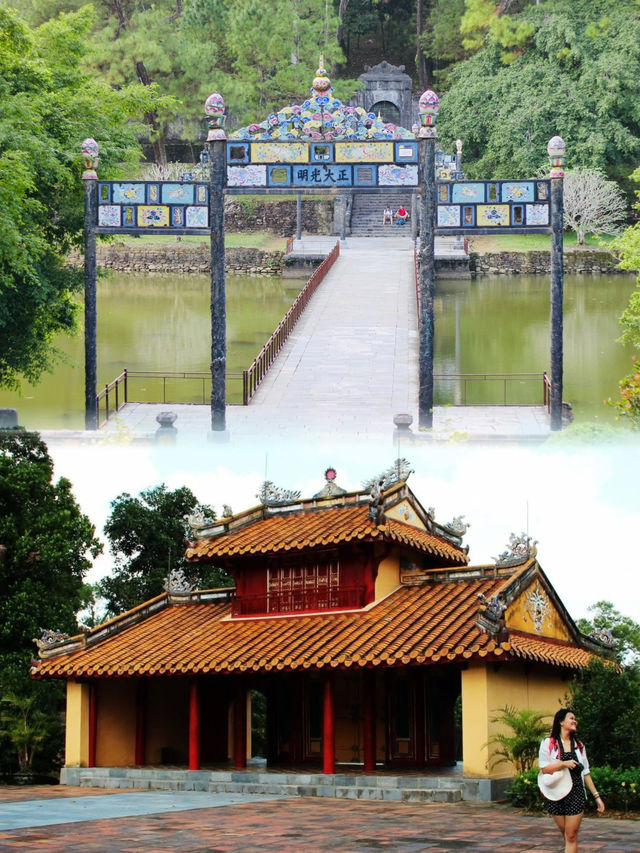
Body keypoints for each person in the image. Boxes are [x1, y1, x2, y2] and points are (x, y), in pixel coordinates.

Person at [538, 709, 605, 853]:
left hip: (576, 793)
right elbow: (544, 769)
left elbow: (586, 772)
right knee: (567, 836)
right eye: (571, 718)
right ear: (561, 722)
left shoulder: (579, 745)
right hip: (555, 794)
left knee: (571, 835)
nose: (575, 721)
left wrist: (597, 797)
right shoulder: (548, 743)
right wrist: (563, 764)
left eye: (575, 719)